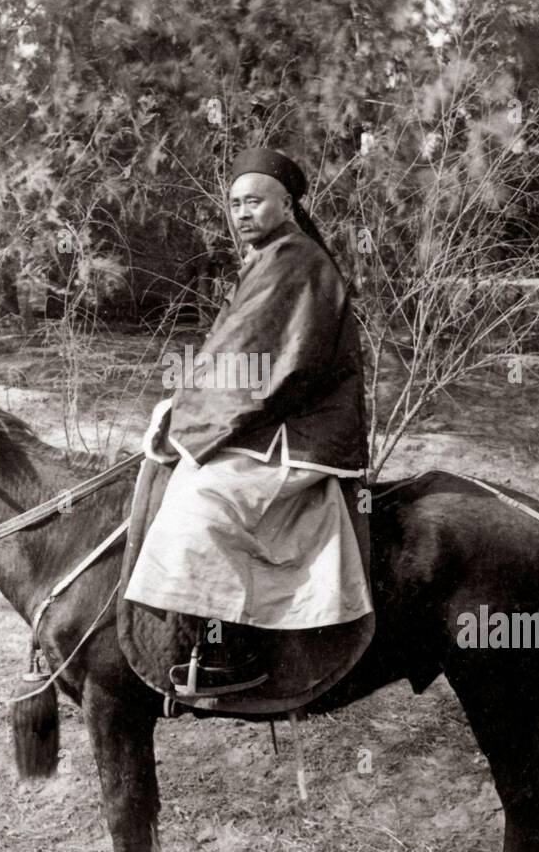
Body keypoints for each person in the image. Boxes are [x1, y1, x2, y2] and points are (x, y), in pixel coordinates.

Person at [124, 147, 373, 697]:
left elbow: (266, 366)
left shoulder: (294, 261)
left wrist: (189, 417)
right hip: (273, 414)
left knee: (202, 506)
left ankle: (229, 652)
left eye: (254, 201)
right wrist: (184, 406)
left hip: (301, 427)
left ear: (286, 204)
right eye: (235, 203)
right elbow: (234, 353)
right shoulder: (270, 258)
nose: (241, 212)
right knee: (186, 477)